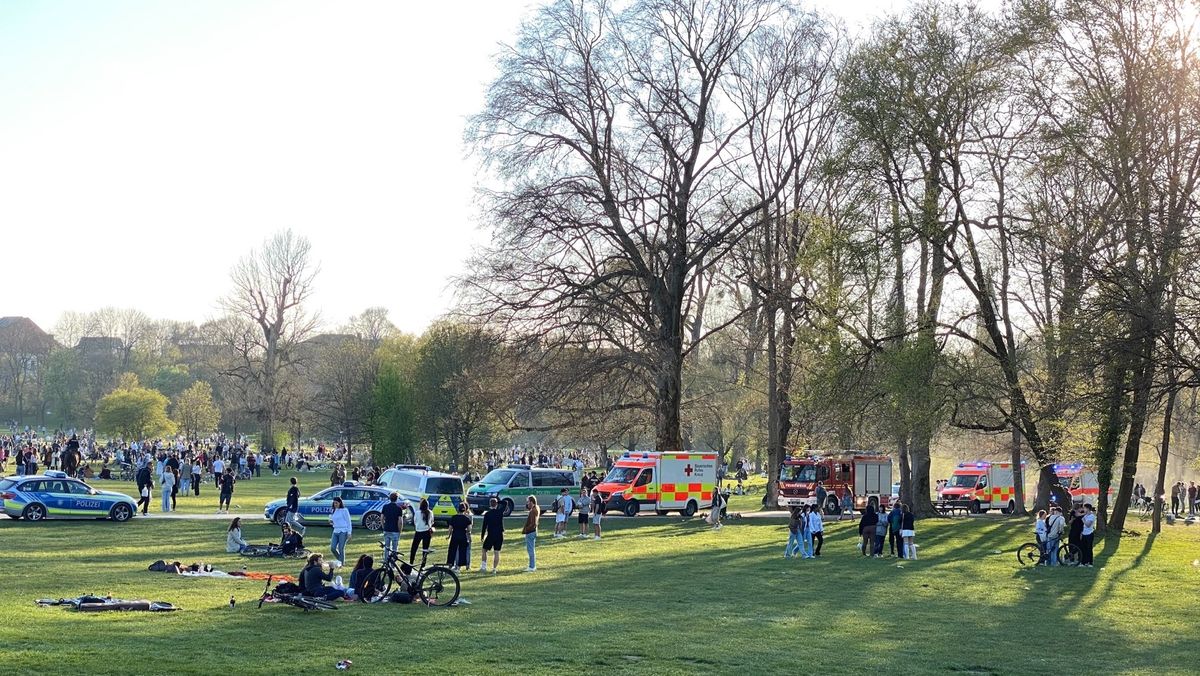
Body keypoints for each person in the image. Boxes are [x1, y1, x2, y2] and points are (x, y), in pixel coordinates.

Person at [409, 497, 434, 567]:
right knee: (425, 549)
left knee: (414, 548)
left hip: (418, 531)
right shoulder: (430, 512)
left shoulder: (417, 513)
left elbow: (415, 521)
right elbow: (432, 522)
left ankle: (411, 562)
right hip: (427, 532)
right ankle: (423, 565)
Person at [447, 502, 472, 571]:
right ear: (464, 510)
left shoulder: (454, 517)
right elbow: (469, 529)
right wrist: (466, 531)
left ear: (458, 509)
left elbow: (450, 528)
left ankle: (450, 564)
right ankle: (459, 566)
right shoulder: (467, 519)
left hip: (455, 535)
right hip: (463, 535)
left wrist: (449, 535)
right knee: (462, 551)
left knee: (452, 550)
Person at [330, 497, 352, 567]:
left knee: (341, 548)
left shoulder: (344, 510)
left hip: (343, 531)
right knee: (332, 548)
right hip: (335, 530)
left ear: (340, 503)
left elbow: (348, 522)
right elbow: (333, 520)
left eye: (336, 503)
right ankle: (340, 560)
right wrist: (331, 522)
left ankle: (341, 564)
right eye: (334, 503)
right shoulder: (333, 510)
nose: (335, 504)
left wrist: (349, 532)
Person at [381, 492, 404, 558]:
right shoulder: (399, 508)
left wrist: (383, 526)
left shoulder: (385, 507)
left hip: (387, 529)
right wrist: (400, 530)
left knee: (387, 548)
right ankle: (393, 564)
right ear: (397, 499)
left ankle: (386, 562)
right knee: (394, 549)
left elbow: (382, 517)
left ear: (390, 498)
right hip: (395, 530)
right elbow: (400, 521)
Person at [522, 495, 540, 572]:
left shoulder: (533, 511)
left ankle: (532, 566)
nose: (527, 503)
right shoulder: (536, 508)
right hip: (534, 531)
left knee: (530, 550)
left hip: (530, 532)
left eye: (528, 502)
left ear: (532, 502)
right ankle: (532, 565)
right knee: (532, 549)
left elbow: (533, 523)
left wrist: (526, 529)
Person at [1080, 503, 1096, 567]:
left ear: (1088, 508)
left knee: (1089, 548)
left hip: (1089, 534)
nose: (1084, 509)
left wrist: (1083, 520)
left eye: (1084, 508)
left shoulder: (1091, 516)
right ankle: (1084, 562)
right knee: (1083, 548)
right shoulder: (1086, 515)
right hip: (1084, 533)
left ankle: (1090, 562)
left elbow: (1088, 525)